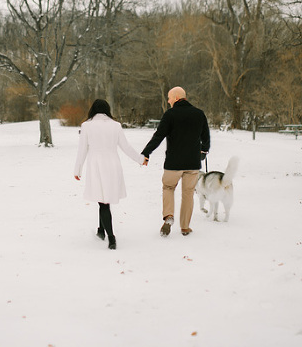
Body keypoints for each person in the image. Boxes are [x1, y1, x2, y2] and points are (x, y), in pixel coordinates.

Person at [74, 99, 146, 250]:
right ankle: (101, 231)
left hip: (96, 165)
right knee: (104, 199)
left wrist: (77, 170)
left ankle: (111, 237)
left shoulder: (87, 125)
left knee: (103, 201)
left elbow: (82, 150)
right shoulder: (116, 125)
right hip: (113, 164)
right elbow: (126, 147)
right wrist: (140, 159)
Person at [141, 86, 210, 237]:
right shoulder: (199, 114)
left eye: (169, 98)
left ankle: (169, 216)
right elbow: (206, 137)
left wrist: (146, 152)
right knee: (188, 194)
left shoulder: (170, 114)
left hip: (173, 163)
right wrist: (204, 151)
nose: (168, 100)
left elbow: (158, 136)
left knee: (168, 188)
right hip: (192, 163)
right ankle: (185, 227)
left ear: (177, 97)